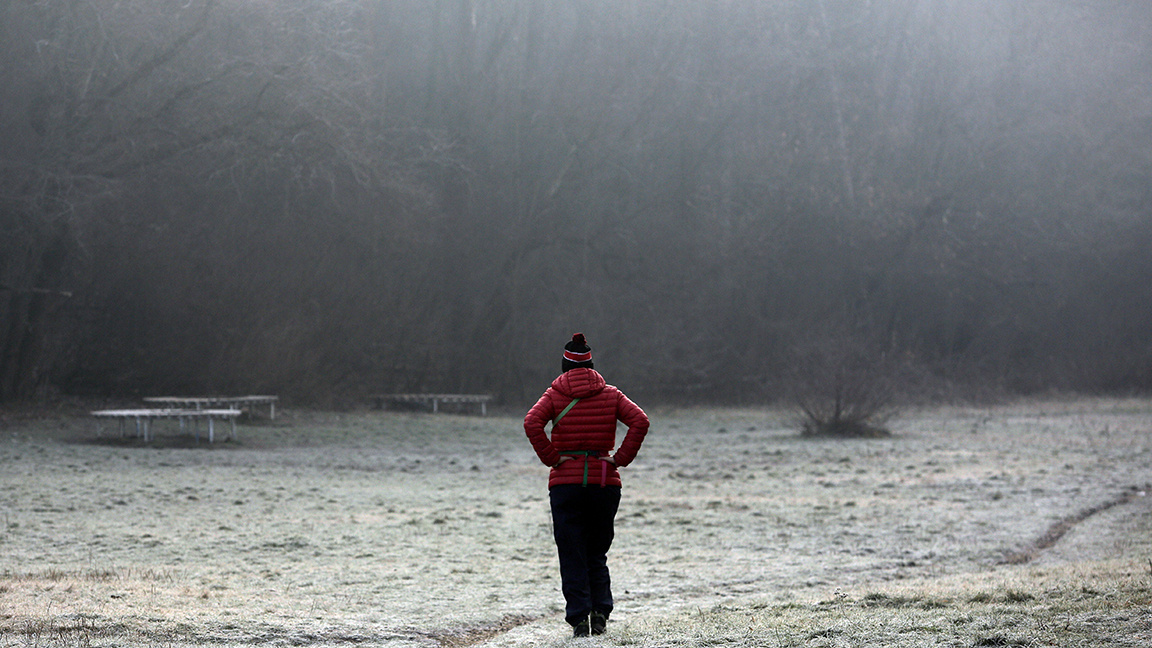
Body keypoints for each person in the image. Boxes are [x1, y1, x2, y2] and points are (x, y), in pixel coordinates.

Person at [524, 333, 650, 637]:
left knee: (572, 553)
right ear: (591, 365)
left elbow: (531, 423)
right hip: (604, 482)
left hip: (565, 485)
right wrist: (619, 459)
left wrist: (553, 458)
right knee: (596, 552)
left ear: (565, 366)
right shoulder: (611, 394)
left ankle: (579, 619)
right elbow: (640, 421)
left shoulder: (553, 395)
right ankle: (600, 612)